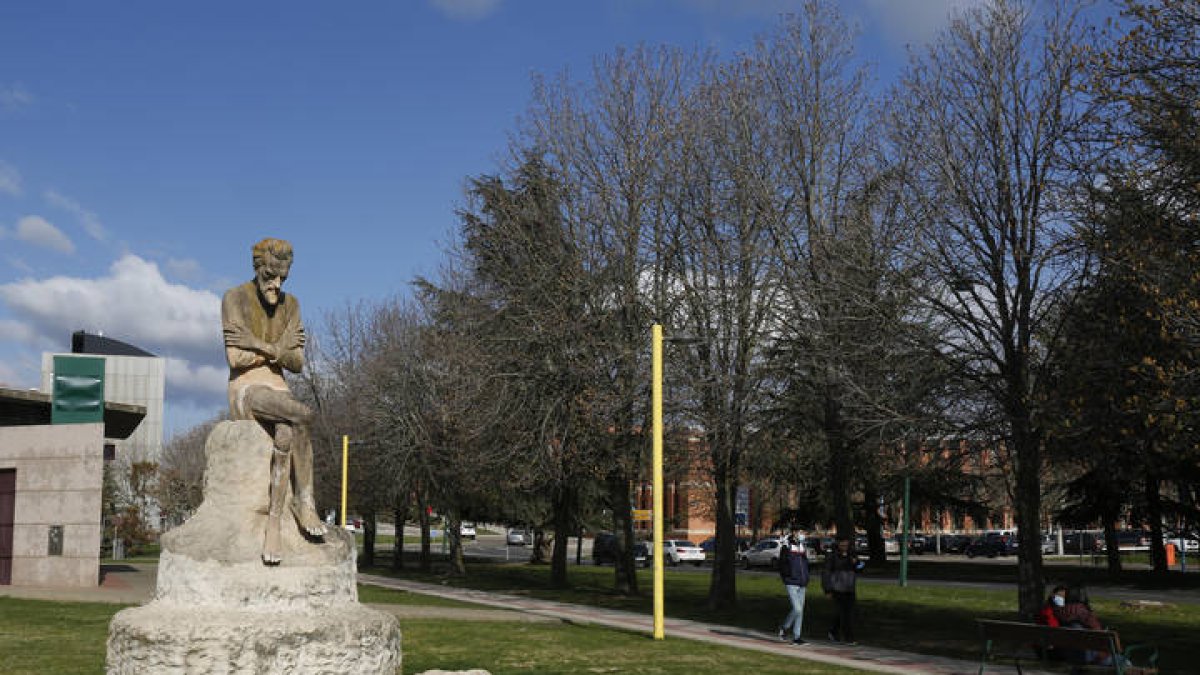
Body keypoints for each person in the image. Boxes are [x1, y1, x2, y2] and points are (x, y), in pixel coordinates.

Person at [222, 238, 327, 565]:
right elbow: (236, 359)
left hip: (279, 391)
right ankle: (305, 500)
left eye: (283, 277)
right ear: (257, 268)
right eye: (270, 275)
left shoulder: (291, 305)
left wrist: (259, 344)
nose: (277, 283)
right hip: (247, 391)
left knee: (286, 433)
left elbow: (297, 364)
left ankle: (275, 523)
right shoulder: (235, 298)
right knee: (302, 414)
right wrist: (281, 346)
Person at [821, 534, 862, 645]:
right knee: (841, 613)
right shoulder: (832, 556)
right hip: (837, 588)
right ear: (838, 543)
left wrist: (857, 564)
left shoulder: (852, 554)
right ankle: (842, 635)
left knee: (849, 614)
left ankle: (841, 634)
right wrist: (827, 589)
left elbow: (860, 567)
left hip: (849, 588)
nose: (844, 545)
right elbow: (826, 573)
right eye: (842, 543)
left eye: (846, 543)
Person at [776, 528, 810, 645]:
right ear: (794, 533)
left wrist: (806, 577)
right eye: (800, 532)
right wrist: (787, 577)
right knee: (797, 609)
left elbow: (805, 564)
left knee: (800, 611)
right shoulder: (787, 547)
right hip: (791, 582)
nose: (802, 534)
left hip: (802, 582)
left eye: (803, 532)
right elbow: (782, 564)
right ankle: (784, 628)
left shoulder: (802, 547)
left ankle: (797, 637)